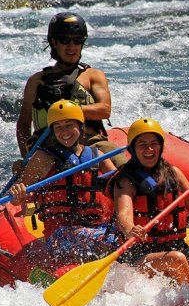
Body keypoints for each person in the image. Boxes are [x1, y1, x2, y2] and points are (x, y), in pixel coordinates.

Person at [9, 100, 117, 262]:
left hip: (98, 226)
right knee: (108, 241)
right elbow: (19, 197)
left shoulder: (97, 155)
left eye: (69, 125)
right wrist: (18, 195)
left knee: (120, 236)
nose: (64, 131)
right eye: (58, 127)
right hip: (60, 232)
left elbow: (120, 187)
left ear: (81, 126)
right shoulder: (43, 158)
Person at [16, 12, 125, 166]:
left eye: (77, 40)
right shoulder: (36, 81)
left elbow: (104, 109)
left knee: (120, 163)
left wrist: (68, 111)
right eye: (65, 40)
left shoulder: (93, 75)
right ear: (54, 42)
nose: (72, 46)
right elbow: (23, 125)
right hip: (49, 147)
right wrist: (26, 158)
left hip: (90, 143)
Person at [109, 118, 189, 285]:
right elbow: (123, 215)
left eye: (154, 144)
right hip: (138, 255)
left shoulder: (175, 173)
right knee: (176, 259)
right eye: (142, 144)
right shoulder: (126, 181)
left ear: (161, 147)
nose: (149, 149)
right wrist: (130, 229)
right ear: (132, 149)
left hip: (176, 246)